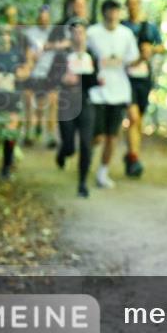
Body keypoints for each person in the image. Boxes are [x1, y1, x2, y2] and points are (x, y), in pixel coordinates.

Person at [86, 0, 140, 189]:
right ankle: (87, 157)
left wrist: (143, 59)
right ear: (104, 13)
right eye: (110, 11)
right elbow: (81, 55)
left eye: (116, 11)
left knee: (112, 136)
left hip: (119, 91)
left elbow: (132, 61)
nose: (113, 15)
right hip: (98, 92)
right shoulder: (92, 33)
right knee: (97, 136)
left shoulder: (126, 34)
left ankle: (103, 172)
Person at [50, 18, 99, 198]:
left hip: (86, 102)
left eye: (81, 32)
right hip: (67, 103)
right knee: (69, 145)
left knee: (86, 144)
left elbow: (96, 79)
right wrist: (62, 79)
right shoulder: (62, 55)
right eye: (75, 32)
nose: (78, 35)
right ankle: (63, 153)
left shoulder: (92, 55)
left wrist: (95, 79)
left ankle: (82, 183)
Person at [121, 0, 164, 178]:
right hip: (124, 77)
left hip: (143, 78)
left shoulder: (149, 27)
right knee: (133, 117)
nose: (133, 6)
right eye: (130, 3)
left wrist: (151, 50)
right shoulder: (122, 28)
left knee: (138, 120)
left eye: (136, 3)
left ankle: (132, 155)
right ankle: (134, 157)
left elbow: (162, 46)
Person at [0, 26, 33, 179]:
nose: (4, 37)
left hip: (12, 96)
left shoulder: (17, 53)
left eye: (7, 33)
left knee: (10, 130)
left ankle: (6, 168)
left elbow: (26, 70)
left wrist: (20, 74)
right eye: (1, 33)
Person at [22, 5, 58, 148]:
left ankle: (50, 135)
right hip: (32, 73)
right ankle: (29, 132)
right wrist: (30, 58)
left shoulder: (55, 33)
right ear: (38, 18)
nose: (44, 20)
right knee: (30, 102)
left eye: (46, 17)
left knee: (51, 103)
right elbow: (24, 52)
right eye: (41, 17)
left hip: (49, 74)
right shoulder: (29, 33)